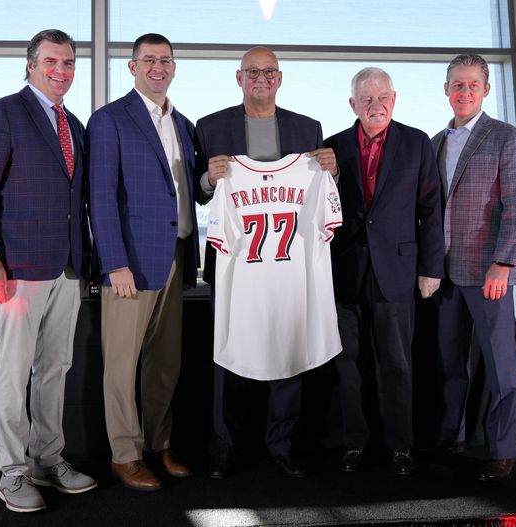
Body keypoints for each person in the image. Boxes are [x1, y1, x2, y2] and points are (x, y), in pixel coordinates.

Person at [0, 29, 96, 513]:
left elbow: (72, 201)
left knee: (54, 369)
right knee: (13, 374)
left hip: (67, 267)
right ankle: (12, 473)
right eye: (53, 61)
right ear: (31, 65)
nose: (63, 71)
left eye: (70, 63)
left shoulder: (73, 124)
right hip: (17, 267)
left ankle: (47, 458)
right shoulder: (4, 114)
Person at [195, 46, 339, 478]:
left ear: (280, 78)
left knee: (287, 344)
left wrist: (334, 169)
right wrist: (208, 178)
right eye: (252, 71)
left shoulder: (307, 127)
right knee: (229, 346)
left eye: (269, 71)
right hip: (235, 258)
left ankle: (282, 442)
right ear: (239, 78)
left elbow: (321, 192)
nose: (261, 78)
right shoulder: (210, 127)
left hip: (289, 261)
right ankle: (227, 444)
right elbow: (196, 191)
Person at [87, 33, 198, 492]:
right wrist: (114, 263)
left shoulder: (184, 123)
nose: (158, 67)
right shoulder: (110, 120)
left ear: (174, 66)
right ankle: (125, 454)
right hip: (130, 262)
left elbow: (189, 191)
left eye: (166, 60)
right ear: (132, 67)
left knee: (164, 362)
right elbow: (101, 197)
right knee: (122, 363)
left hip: (176, 254)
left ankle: (159, 443)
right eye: (149, 60)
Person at [324, 68, 444, 475]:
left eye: (383, 98)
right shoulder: (332, 147)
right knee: (349, 363)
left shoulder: (416, 143)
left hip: (397, 268)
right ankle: (355, 443)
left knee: (396, 363)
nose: (376, 106)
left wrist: (431, 268)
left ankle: (400, 445)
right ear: (352, 105)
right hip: (345, 271)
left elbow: (431, 209)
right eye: (367, 100)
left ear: (395, 98)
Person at [431, 53, 516, 481]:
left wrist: (504, 262)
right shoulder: (436, 141)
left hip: (489, 271)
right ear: (446, 90)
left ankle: (503, 450)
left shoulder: (506, 138)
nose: (464, 91)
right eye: (457, 84)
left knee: (501, 368)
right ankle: (453, 433)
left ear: (486, 90)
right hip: (446, 272)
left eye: (473, 84)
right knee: (451, 361)